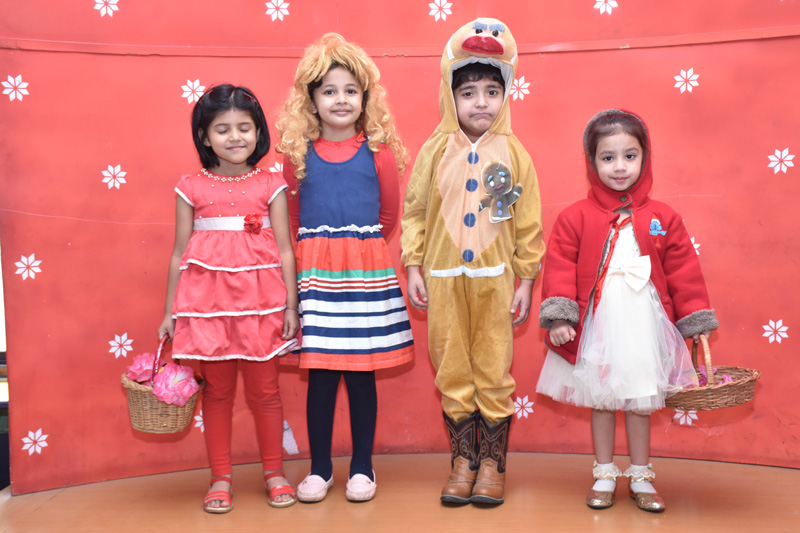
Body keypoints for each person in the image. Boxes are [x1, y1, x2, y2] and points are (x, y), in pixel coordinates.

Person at [537, 109, 719, 513]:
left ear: (644, 158)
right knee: (602, 398)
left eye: (629, 156)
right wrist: (561, 316)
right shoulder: (574, 217)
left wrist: (694, 320)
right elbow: (560, 266)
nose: (619, 167)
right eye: (608, 157)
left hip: (643, 322)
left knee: (639, 400)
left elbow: (683, 270)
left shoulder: (663, 217)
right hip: (598, 322)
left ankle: (641, 475)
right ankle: (604, 472)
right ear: (592, 161)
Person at [400, 18, 545, 505]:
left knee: (493, 368)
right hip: (442, 279)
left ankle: (493, 466)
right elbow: (414, 211)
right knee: (451, 368)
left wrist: (526, 281)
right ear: (450, 95)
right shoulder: (434, 150)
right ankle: (463, 461)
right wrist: (414, 266)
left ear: (506, 95)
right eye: (468, 93)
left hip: (496, 282)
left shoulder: (516, 153)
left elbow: (528, 224)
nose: (480, 102)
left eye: (491, 91)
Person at [276, 33, 414, 503]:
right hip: (316, 278)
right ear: (311, 100)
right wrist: (317, 258)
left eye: (351, 90)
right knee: (320, 376)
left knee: (360, 374)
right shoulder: (297, 155)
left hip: (364, 277)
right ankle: (319, 469)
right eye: (330, 91)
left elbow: (388, 216)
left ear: (365, 98)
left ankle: (361, 467)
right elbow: (293, 220)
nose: (341, 99)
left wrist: (357, 249)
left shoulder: (379, 153)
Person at [158, 84, 300, 513]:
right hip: (208, 310)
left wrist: (291, 306)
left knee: (266, 392)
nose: (235, 137)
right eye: (223, 129)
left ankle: (274, 473)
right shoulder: (190, 187)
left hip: (262, 307)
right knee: (217, 394)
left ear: (259, 132)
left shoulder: (272, 184)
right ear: (205, 136)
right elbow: (179, 253)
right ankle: (220, 477)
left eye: (244, 127)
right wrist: (171, 312)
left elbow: (286, 249)